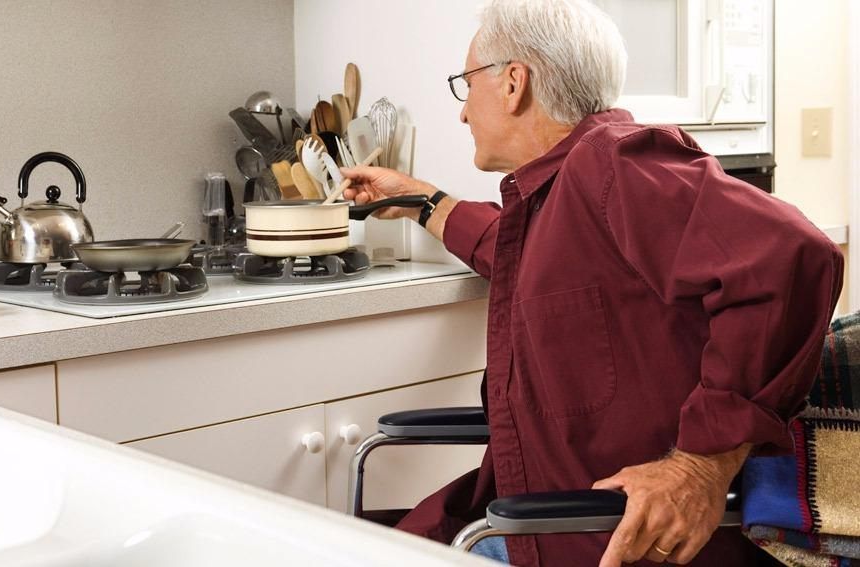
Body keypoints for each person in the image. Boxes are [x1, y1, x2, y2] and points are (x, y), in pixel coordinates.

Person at [340, 1, 844, 565]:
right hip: (535, 518)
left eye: (466, 84)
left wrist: (702, 462)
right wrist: (419, 199)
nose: (462, 114)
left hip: (590, 538)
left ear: (513, 82)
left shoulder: (613, 164)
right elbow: (513, 247)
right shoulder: (563, 194)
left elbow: (794, 256)